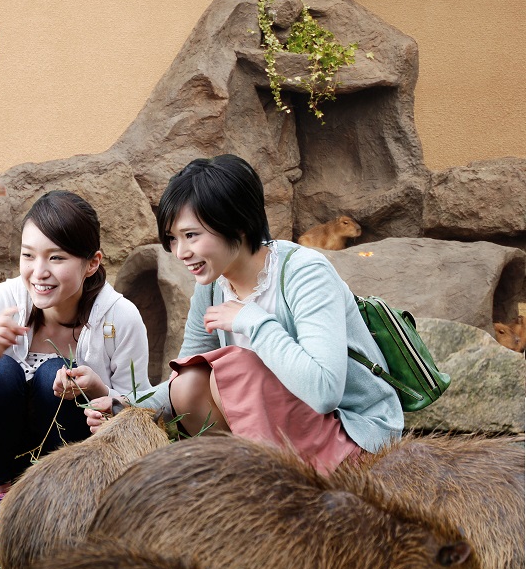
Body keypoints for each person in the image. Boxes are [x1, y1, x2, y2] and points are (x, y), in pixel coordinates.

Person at [85, 155, 403, 474]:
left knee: (234, 366)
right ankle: (241, 491)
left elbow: (324, 392)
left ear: (236, 224)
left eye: (191, 235)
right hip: (281, 431)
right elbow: (178, 380)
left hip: (351, 434)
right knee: (189, 381)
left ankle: (277, 488)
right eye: (172, 238)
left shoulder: (305, 272)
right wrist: (123, 406)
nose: (180, 252)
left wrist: (253, 321)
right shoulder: (213, 284)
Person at [0, 190, 151, 550]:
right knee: (1, 370)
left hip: (67, 459)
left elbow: (139, 408)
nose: (38, 272)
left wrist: (98, 392)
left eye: (56, 257)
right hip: (4, 452)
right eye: (28, 256)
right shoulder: (5, 300)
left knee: (56, 374)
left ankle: (61, 499)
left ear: (91, 263)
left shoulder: (121, 317)